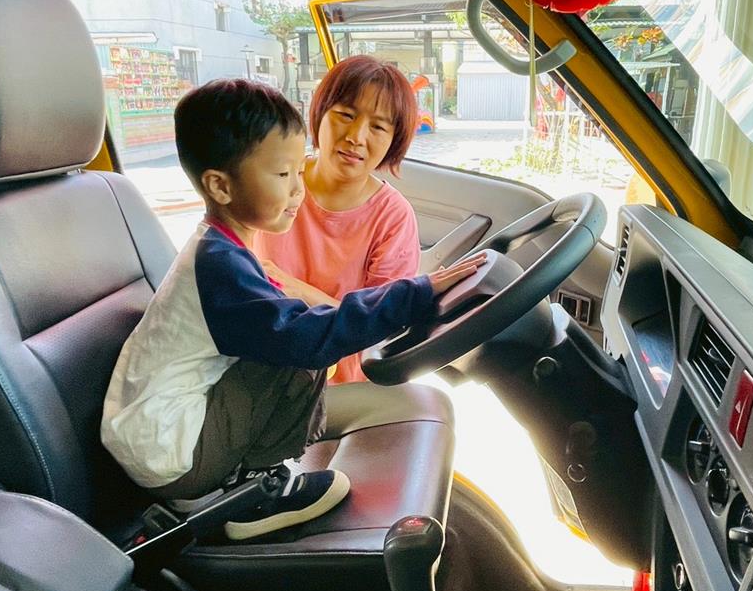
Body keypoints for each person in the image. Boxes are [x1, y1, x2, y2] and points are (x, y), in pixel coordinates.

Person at [100, 79, 484, 541]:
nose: (299, 191)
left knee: (301, 339)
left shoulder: (220, 246)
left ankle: (240, 478)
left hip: (163, 438)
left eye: (299, 172)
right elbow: (303, 338)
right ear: (221, 186)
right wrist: (413, 295)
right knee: (303, 352)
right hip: (173, 453)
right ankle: (253, 496)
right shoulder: (221, 265)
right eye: (284, 176)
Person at [252, 55, 421, 384]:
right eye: (346, 115)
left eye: (378, 127)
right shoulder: (275, 180)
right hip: (262, 369)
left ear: (394, 139)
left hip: (341, 384)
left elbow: (380, 328)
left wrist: (294, 289)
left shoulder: (393, 217)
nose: (356, 136)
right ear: (321, 113)